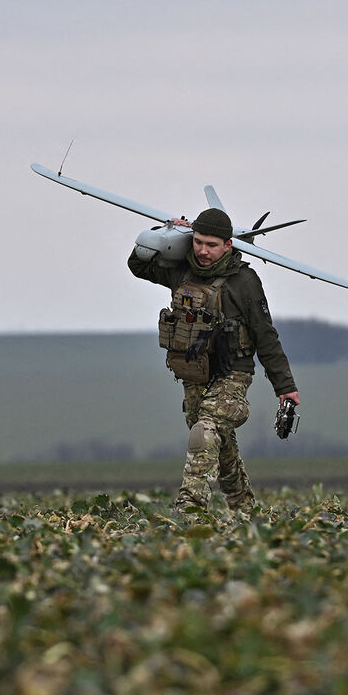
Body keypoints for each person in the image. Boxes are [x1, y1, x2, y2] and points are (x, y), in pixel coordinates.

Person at [128, 207, 300, 514]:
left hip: (234, 372)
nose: (203, 251)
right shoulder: (181, 269)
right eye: (198, 242)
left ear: (228, 245)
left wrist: (284, 386)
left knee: (205, 431)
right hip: (196, 370)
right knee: (218, 442)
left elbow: (265, 335)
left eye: (211, 245)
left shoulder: (245, 281)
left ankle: (190, 509)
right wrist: (166, 233)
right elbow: (138, 266)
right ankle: (244, 509)